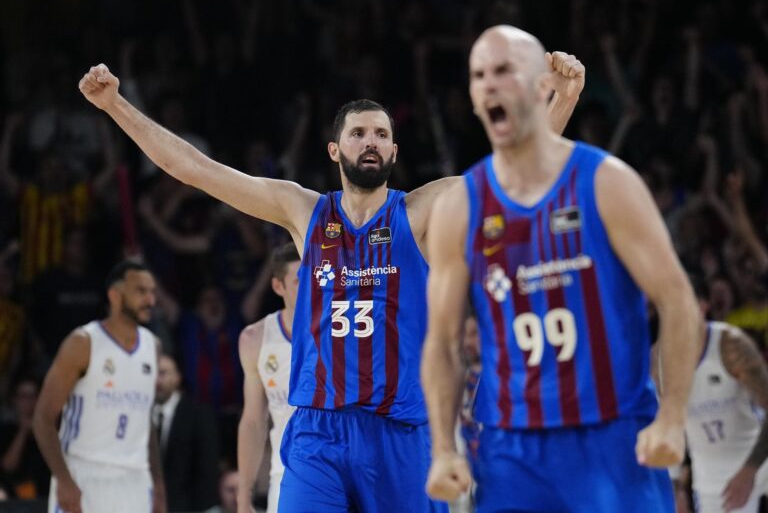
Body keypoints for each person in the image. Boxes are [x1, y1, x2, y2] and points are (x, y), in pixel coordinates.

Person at [77, 51, 583, 512]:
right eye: (359, 134)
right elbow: (193, 169)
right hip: (320, 429)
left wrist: (563, 99)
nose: (371, 142)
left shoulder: (421, 210)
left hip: (400, 430)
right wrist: (116, 105)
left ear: (394, 150)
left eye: (381, 135)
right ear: (334, 150)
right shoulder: (303, 212)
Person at [421, 25, 703, 513]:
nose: (489, 83)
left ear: (538, 86)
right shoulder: (460, 207)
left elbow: (678, 301)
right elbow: (443, 342)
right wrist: (444, 447)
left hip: (612, 436)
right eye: (479, 75)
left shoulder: (607, 183)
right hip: (511, 450)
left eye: (504, 71)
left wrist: (674, 416)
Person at [32, 260, 166, 513]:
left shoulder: (153, 347)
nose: (151, 300)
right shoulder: (82, 343)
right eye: (141, 291)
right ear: (115, 296)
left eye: (152, 292)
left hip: (135, 478)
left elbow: (145, 421)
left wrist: (158, 484)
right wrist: (63, 479)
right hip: (84, 474)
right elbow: (42, 418)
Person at [674, 279, 768, 513]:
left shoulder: (731, 346)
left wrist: (750, 469)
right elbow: (668, 426)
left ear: (703, 305)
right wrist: (676, 487)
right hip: (710, 488)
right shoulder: (660, 361)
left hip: (757, 472)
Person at [237, 243, 300, 513]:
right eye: (299, 281)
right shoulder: (256, 339)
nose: (310, 287)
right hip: (285, 472)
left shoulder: (341, 329)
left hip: (337, 473)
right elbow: (253, 421)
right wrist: (244, 492)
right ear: (278, 286)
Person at [154, 353, 220, 513]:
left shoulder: (199, 414)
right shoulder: (139, 414)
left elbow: (207, 469)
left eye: (162, 373)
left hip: (188, 506)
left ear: (177, 377)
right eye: (152, 372)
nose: (156, 380)